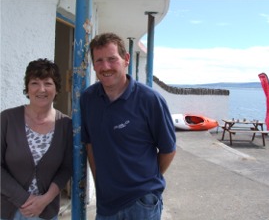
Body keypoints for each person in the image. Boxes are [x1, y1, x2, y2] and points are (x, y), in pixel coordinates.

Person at [80, 32, 176, 219]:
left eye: (112, 59)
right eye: (99, 60)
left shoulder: (150, 100)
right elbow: (90, 144)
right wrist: (101, 182)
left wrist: (143, 182)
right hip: (106, 204)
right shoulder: (88, 99)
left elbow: (168, 150)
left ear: (126, 59)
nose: (105, 67)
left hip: (141, 204)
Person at [1, 58, 73, 220]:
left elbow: (66, 168)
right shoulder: (7, 119)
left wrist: (44, 200)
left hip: (46, 212)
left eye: (48, 83)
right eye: (34, 83)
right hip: (8, 210)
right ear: (27, 87)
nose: (41, 89)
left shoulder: (66, 125)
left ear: (56, 89)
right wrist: (24, 199)